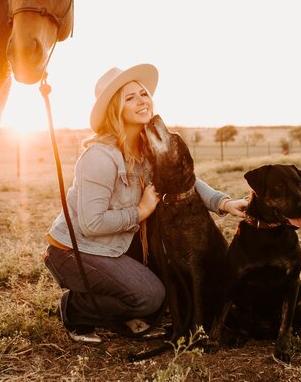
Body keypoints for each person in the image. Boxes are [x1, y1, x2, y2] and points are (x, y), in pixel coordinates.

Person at [43, 63, 247, 344]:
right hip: (76, 251)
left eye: (143, 93)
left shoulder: (145, 150)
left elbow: (184, 180)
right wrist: (140, 211)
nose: (142, 100)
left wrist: (223, 203)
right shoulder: (100, 157)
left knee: (164, 285)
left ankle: (118, 303)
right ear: (116, 109)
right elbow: (92, 224)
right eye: (130, 97)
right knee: (150, 297)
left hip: (115, 246)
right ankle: (75, 308)